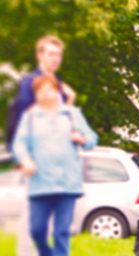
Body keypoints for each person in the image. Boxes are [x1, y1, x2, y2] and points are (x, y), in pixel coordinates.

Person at [12, 76, 97, 256]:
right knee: (36, 229)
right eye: (40, 90)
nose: (45, 93)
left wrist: (82, 139)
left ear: (57, 91)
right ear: (36, 94)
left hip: (67, 182)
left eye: (49, 89)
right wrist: (25, 160)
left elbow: (92, 139)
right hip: (40, 183)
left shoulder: (71, 114)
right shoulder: (30, 117)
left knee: (61, 232)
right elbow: (19, 144)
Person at [6, 35, 75, 150]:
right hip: (35, 150)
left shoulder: (60, 86)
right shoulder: (29, 82)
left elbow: (64, 122)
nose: (56, 59)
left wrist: (70, 100)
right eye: (51, 54)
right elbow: (25, 118)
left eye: (59, 55)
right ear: (40, 55)